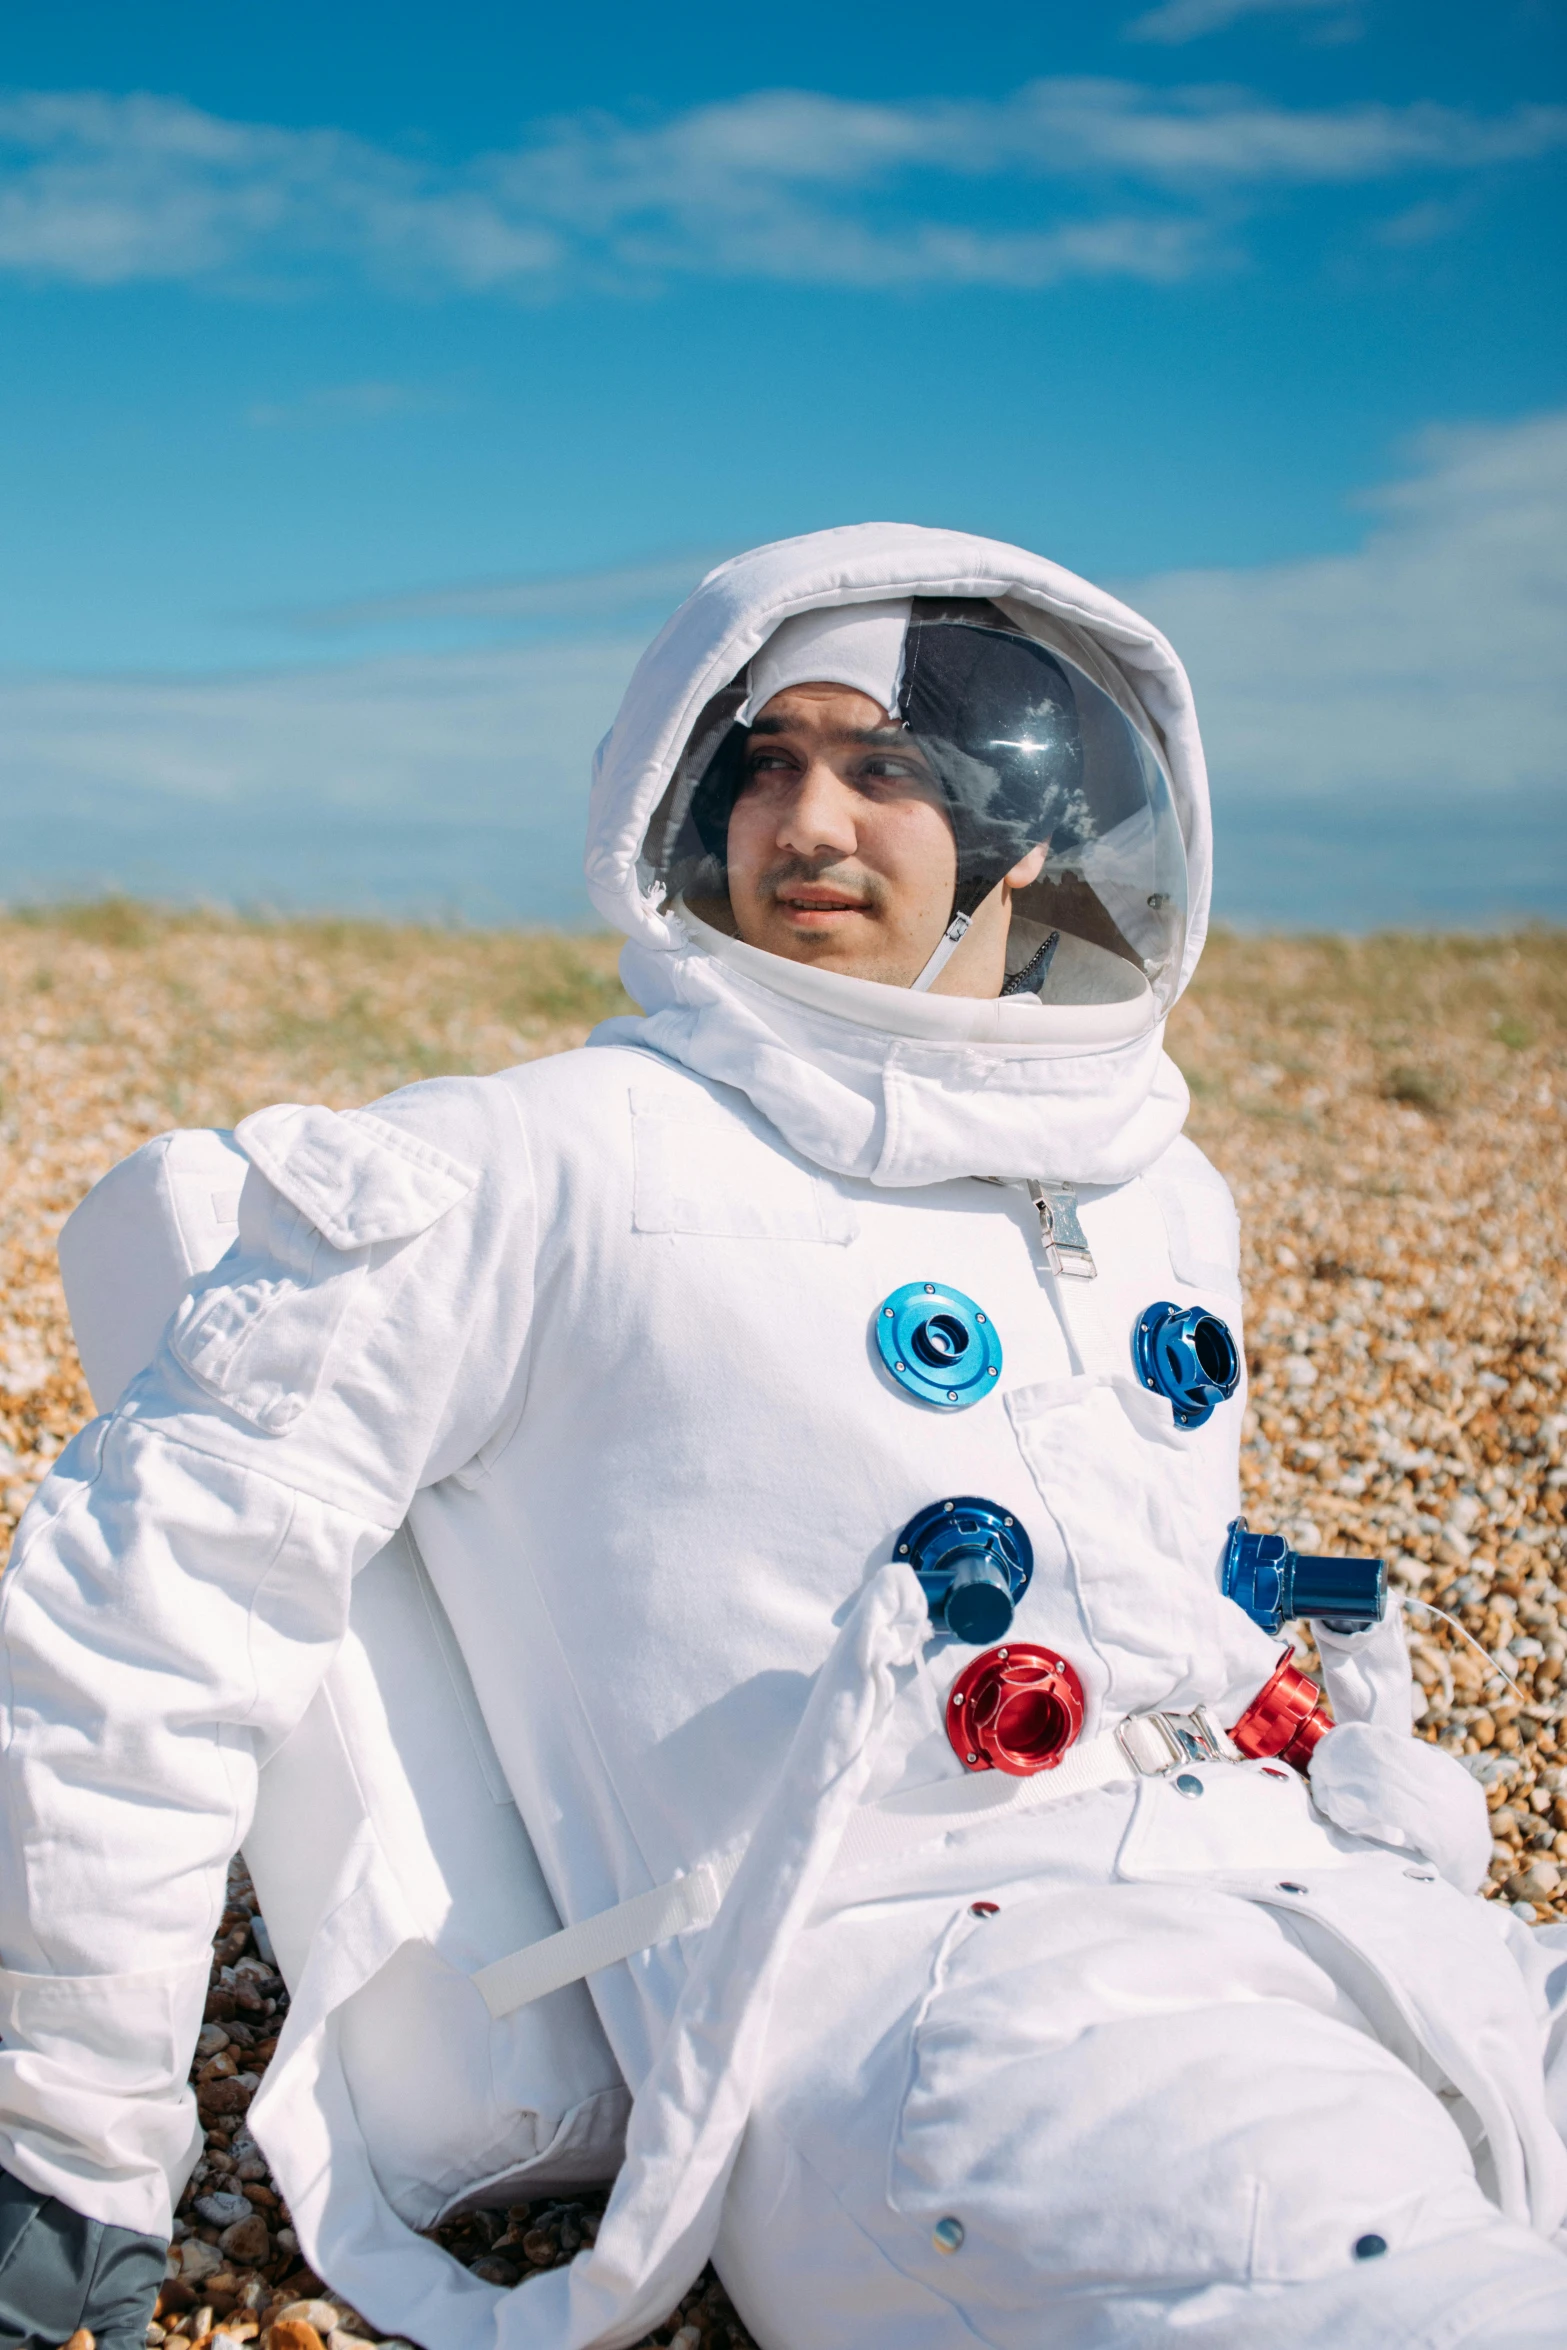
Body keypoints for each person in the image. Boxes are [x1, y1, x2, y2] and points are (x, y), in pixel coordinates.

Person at [3, 524, 1567, 2350]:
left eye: (886, 767)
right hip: (947, 2026)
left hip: (1354, 1921)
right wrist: (63, 2146)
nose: (807, 819)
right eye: (765, 761)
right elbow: (148, 1601)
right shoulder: (543, 1162)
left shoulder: (1151, 1180)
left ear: (1031, 826)